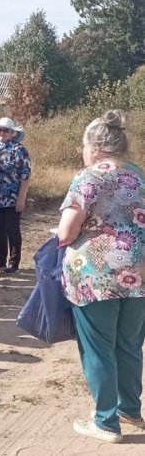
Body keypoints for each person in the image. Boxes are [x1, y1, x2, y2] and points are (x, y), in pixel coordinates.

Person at [56, 110, 145, 443]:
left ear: (94, 147)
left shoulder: (89, 176)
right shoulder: (139, 175)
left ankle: (106, 422)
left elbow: (67, 230)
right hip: (139, 270)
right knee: (130, 344)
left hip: (97, 273)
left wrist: (64, 238)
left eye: (83, 145)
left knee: (99, 347)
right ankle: (130, 410)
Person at [0, 117, 31, 273]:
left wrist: (21, 197)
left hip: (11, 197)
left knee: (12, 229)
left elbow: (25, 175)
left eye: (6, 130)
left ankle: (14, 262)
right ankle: (0, 259)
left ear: (12, 133)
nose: (2, 133)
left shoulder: (19, 149)